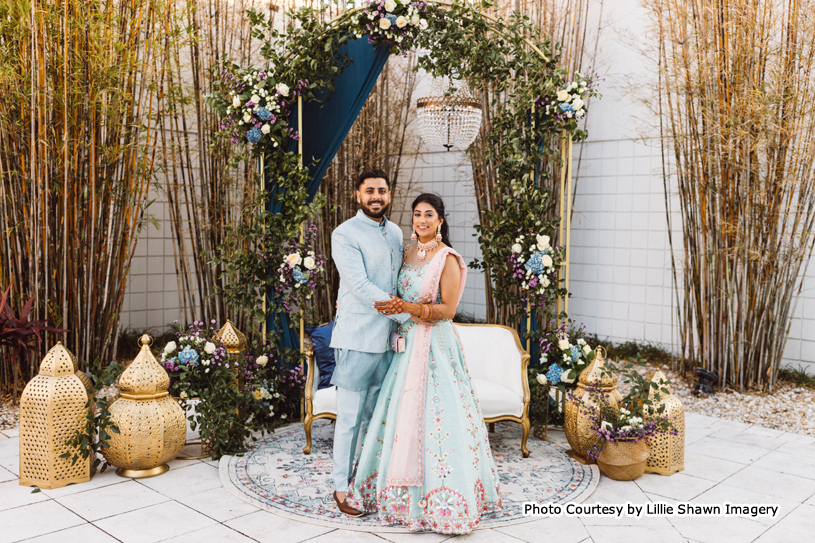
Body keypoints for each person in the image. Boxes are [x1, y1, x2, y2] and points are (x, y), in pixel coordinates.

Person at [345, 193, 502, 534]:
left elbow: (447, 311)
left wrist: (410, 308)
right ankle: (397, 495)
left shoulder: (447, 258)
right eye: (417, 214)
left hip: (435, 348)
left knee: (440, 421)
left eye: (429, 215)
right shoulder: (405, 253)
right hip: (405, 346)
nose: (422, 220)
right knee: (400, 416)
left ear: (440, 221)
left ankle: (446, 502)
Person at [329, 169, 412, 517]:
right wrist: (407, 314)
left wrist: (399, 325)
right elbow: (361, 286)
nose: (376, 196)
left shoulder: (395, 232)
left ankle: (366, 480)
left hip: (387, 342)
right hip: (357, 336)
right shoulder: (344, 234)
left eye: (382, 191)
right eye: (370, 191)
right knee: (349, 418)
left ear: (389, 195)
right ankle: (340, 488)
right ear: (357, 195)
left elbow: (398, 280)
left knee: (375, 418)